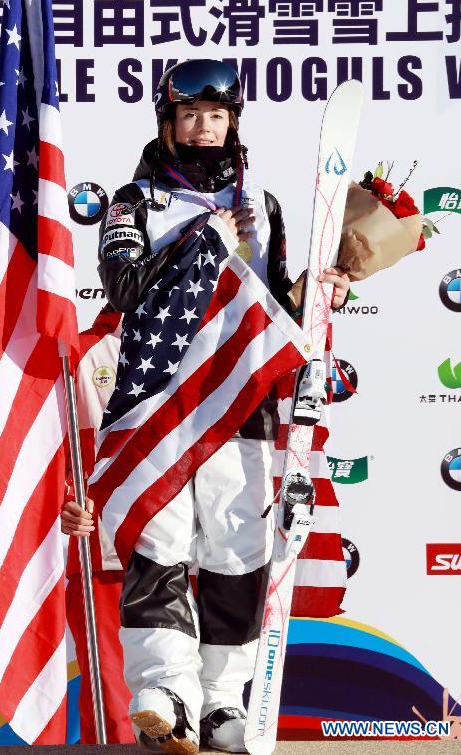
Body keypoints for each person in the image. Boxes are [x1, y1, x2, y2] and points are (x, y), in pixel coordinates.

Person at [62, 59, 349, 753]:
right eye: (189, 115)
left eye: (216, 116)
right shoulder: (133, 201)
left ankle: (222, 705)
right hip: (156, 401)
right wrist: (207, 239)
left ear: (233, 122)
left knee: (236, 551)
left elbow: (271, 305)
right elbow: (123, 289)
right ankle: (165, 695)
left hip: (239, 402)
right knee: (156, 546)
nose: (202, 128)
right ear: (167, 121)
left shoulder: (264, 207)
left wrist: (319, 295)